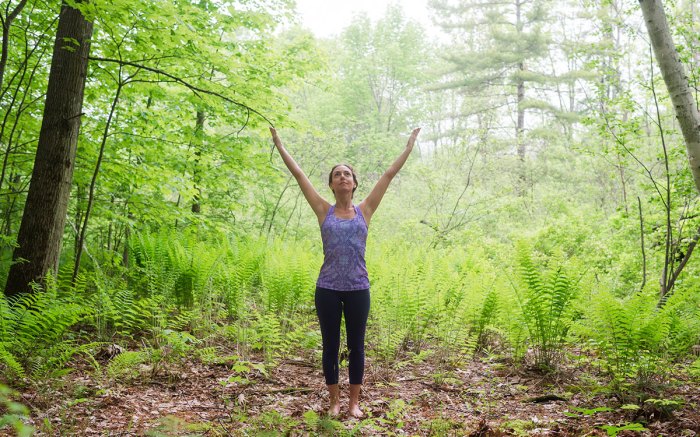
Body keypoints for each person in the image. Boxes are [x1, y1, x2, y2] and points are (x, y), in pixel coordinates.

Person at [269, 127, 420, 418]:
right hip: (327, 288)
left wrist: (408, 148)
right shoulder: (322, 209)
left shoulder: (366, 209)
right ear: (331, 184)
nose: (342, 177)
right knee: (330, 346)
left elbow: (388, 175)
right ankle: (334, 402)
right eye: (337, 174)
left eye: (346, 174)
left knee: (357, 347)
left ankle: (354, 403)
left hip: (358, 288)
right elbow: (299, 175)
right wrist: (279, 145)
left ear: (354, 184)